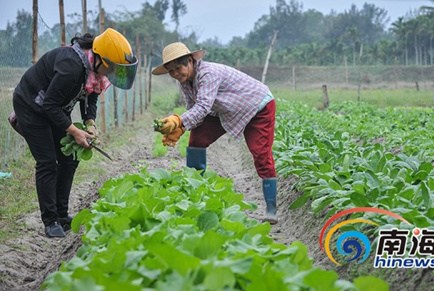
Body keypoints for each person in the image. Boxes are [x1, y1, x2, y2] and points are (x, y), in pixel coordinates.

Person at [11, 28, 138, 238]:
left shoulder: (94, 71)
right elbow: (49, 105)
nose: (113, 73)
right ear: (100, 59)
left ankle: (62, 215)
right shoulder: (71, 67)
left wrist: (90, 123)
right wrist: (73, 131)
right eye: (113, 68)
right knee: (48, 162)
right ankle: (50, 221)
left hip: (54, 108)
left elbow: (91, 97)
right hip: (32, 106)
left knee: (70, 158)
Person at [152, 42, 278, 224]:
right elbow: (193, 109)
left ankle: (271, 208)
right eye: (171, 71)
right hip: (227, 109)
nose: (176, 74)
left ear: (190, 61)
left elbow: (202, 107)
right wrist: (181, 128)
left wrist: (178, 120)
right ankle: (195, 196)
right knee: (197, 139)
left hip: (257, 106)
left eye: (178, 68)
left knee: (260, 152)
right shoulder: (185, 81)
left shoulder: (208, 73)